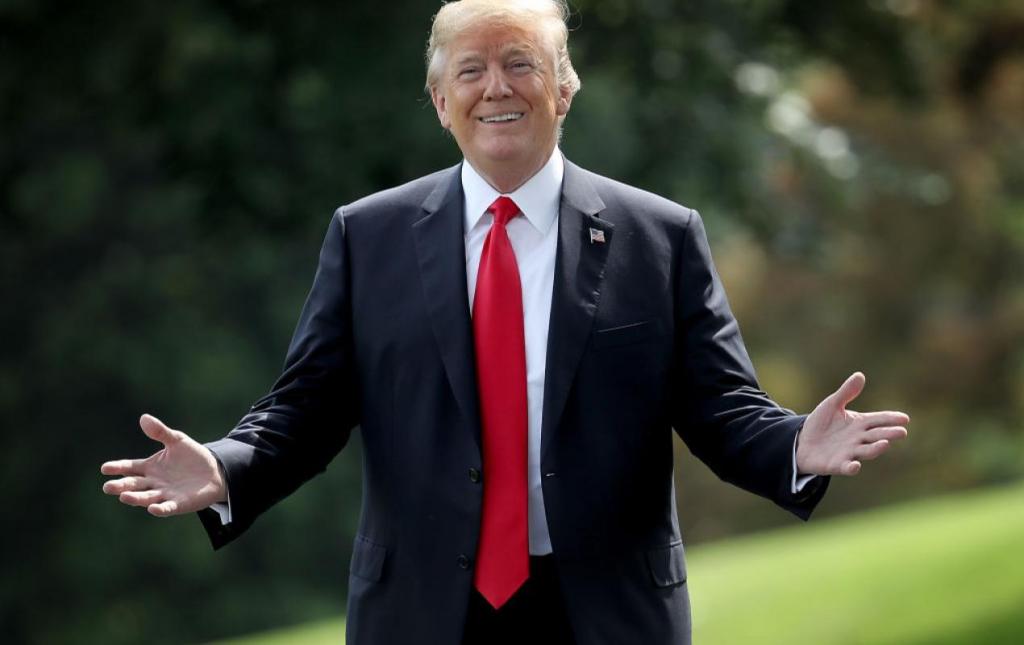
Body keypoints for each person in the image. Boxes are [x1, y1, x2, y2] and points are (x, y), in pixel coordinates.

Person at [101, 1, 910, 643]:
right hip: (420, 611)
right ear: (440, 98)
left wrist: (796, 445)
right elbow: (305, 409)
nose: (497, 86)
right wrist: (228, 466)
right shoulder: (367, 234)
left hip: (605, 612)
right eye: (472, 69)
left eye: (521, 63)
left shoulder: (659, 236)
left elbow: (722, 408)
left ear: (564, 88)